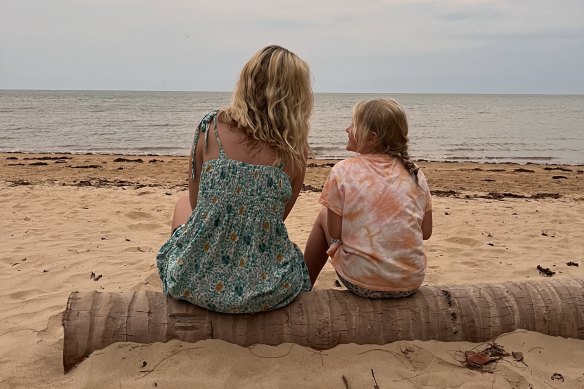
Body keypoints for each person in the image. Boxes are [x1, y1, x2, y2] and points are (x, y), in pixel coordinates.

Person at [157, 45, 313, 313]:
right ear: (297, 96)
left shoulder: (211, 128)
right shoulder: (295, 152)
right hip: (266, 289)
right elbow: (273, 221)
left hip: (194, 281)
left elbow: (198, 205)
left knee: (183, 203)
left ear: (247, 82)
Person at [303, 98, 432, 298]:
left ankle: (304, 287)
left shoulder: (343, 170)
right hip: (410, 282)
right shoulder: (415, 173)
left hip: (361, 282)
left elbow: (335, 231)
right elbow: (426, 232)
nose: (347, 129)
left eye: (353, 125)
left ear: (372, 138)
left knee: (323, 217)